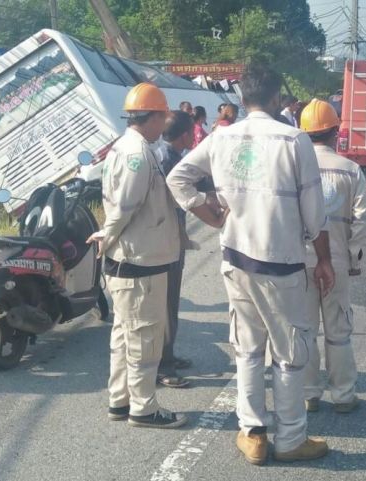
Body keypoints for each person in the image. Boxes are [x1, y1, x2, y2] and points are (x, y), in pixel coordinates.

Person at [167, 63, 335, 465]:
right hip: (281, 265)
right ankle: (291, 438)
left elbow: (178, 178)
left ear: (241, 98)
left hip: (236, 260)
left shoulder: (221, 137)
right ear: (277, 99)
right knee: (290, 353)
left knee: (248, 348)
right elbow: (315, 211)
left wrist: (206, 214)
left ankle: (253, 434)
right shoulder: (294, 140)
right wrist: (325, 259)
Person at [87, 82, 187, 429]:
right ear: (154, 116)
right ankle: (143, 408)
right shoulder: (138, 154)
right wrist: (106, 233)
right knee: (145, 338)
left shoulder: (129, 147)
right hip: (139, 261)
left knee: (124, 334)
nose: (165, 124)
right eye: (163, 116)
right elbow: (125, 206)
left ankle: (120, 400)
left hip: (131, 259)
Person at [298, 99, 366, 415]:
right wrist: (354, 259)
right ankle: (343, 395)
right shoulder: (351, 170)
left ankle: (309, 394)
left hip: (298, 261)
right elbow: (361, 220)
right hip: (337, 260)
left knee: (305, 330)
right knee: (338, 331)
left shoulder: (293, 167)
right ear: (336, 131)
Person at [155, 111, 197, 389]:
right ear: (185, 135)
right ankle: (163, 366)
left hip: (166, 238)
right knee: (166, 304)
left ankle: (166, 356)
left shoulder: (162, 153)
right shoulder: (170, 160)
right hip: (166, 241)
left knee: (167, 304)